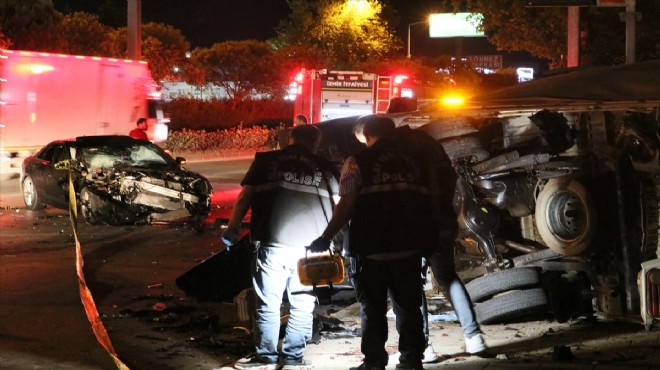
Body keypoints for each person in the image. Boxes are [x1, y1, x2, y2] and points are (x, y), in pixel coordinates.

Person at [308, 116, 434, 370]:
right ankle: (412, 360)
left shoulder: (357, 162)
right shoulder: (417, 161)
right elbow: (431, 200)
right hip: (409, 246)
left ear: (366, 135)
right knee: (409, 307)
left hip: (370, 248)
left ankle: (375, 362)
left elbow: (347, 204)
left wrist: (326, 237)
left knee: (373, 309)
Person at [221, 124, 339, 370]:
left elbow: (245, 196)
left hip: (273, 242)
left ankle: (267, 358)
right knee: (303, 301)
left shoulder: (267, 161)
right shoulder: (327, 167)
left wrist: (233, 228)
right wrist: (335, 240)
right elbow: (339, 206)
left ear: (289, 139)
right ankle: (294, 358)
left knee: (268, 303)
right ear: (316, 143)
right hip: (312, 249)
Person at [387, 126, 488, 363]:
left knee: (412, 284)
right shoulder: (433, 146)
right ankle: (475, 338)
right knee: (448, 277)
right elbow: (451, 178)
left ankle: (422, 348)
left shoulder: (398, 152)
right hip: (443, 219)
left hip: (414, 225)